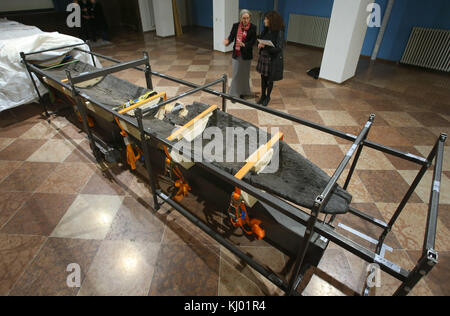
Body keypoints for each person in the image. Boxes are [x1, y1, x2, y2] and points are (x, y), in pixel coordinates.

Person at [223, 9, 257, 100]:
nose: (245, 20)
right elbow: (231, 37)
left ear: (250, 18)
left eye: (247, 18)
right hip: (237, 54)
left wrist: (245, 45)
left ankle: (244, 92)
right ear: (240, 18)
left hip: (247, 55)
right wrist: (228, 41)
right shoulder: (236, 26)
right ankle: (234, 93)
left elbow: (253, 41)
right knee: (236, 73)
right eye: (243, 18)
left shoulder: (253, 27)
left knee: (245, 74)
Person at [256, 11, 285, 107]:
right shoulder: (266, 29)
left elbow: (279, 48)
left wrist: (265, 46)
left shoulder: (279, 31)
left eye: (266, 19)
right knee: (263, 78)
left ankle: (268, 96)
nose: (264, 21)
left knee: (269, 79)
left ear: (271, 20)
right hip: (263, 57)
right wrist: (259, 44)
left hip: (272, 59)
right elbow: (260, 39)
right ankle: (263, 95)